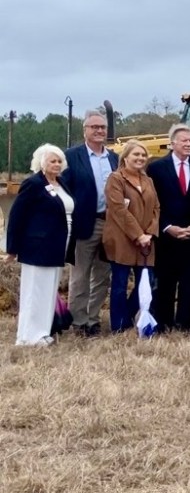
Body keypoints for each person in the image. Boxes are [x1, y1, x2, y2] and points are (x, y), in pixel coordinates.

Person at [6, 144, 75, 345]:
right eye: (52, 160)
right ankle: (28, 336)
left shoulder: (62, 183)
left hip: (58, 246)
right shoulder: (33, 183)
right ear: (42, 163)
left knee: (49, 290)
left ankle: (43, 331)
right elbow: (17, 215)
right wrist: (12, 248)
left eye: (59, 161)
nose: (56, 164)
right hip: (38, 247)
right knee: (34, 290)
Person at [147, 124, 190, 332]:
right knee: (165, 282)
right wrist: (167, 227)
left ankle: (186, 323)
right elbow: (153, 203)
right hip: (166, 237)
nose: (188, 143)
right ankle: (163, 323)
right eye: (184, 140)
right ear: (172, 143)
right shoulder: (156, 168)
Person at [63, 110, 119, 336]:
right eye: (94, 127)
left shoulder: (114, 158)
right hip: (85, 224)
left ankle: (93, 319)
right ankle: (78, 322)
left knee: (103, 276)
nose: (99, 131)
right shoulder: (72, 156)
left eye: (102, 127)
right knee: (80, 276)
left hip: (111, 225)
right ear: (84, 130)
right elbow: (63, 189)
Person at [101, 140, 160, 334]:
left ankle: (127, 316)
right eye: (136, 155)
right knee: (120, 284)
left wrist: (150, 232)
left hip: (146, 242)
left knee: (148, 281)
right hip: (122, 240)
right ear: (125, 157)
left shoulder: (148, 180)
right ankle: (119, 326)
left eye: (143, 155)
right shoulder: (115, 179)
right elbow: (118, 210)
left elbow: (156, 208)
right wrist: (138, 234)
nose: (140, 158)